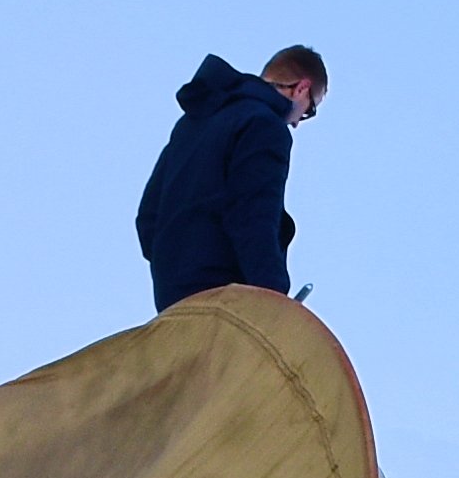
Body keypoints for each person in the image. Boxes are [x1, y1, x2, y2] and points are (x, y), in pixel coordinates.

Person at [136, 47, 323, 307]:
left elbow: (148, 216)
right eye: (309, 110)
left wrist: (172, 266)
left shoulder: (194, 121)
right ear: (301, 88)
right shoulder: (266, 125)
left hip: (171, 298)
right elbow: (253, 212)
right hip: (225, 295)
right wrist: (272, 297)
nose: (296, 123)